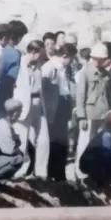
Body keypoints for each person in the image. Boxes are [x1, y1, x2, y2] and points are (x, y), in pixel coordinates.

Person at [42, 43, 77, 181]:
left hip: (63, 104)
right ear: (65, 56)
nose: (72, 62)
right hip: (54, 108)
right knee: (54, 141)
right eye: (71, 59)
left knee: (63, 140)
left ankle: (59, 173)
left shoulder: (63, 68)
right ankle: (52, 172)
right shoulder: (50, 67)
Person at [14, 39, 47, 178]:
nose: (42, 56)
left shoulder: (38, 65)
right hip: (23, 104)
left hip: (38, 102)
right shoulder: (20, 64)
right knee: (22, 137)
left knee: (43, 137)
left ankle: (40, 171)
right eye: (40, 53)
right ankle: (21, 169)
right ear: (33, 52)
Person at [75, 42, 111, 158]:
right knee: (85, 143)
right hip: (90, 114)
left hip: (103, 113)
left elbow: (109, 95)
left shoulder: (106, 74)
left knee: (100, 143)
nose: (104, 61)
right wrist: (81, 117)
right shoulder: (85, 73)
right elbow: (80, 95)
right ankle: (80, 171)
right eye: (102, 59)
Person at [78, 109, 111, 188]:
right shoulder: (106, 135)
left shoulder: (109, 133)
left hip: (90, 163)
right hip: (89, 165)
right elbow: (107, 156)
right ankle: (97, 181)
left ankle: (99, 178)